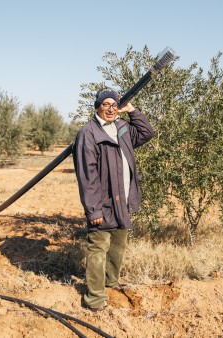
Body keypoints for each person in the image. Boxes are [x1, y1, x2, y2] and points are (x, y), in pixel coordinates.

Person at [73, 88, 154, 312]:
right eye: (106, 104)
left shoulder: (122, 128)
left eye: (114, 104)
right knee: (98, 249)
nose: (110, 108)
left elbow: (147, 132)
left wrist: (133, 111)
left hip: (122, 202)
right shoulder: (88, 134)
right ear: (97, 106)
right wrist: (93, 211)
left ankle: (109, 285)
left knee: (117, 248)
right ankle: (95, 299)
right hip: (102, 203)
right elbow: (87, 177)